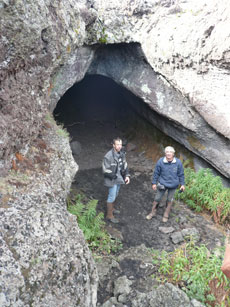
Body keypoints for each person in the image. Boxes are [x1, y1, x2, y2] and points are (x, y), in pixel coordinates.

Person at [146, 146, 185, 222]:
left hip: (173, 185)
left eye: (170, 152)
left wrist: (182, 184)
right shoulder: (161, 161)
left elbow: (181, 174)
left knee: (169, 200)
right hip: (162, 184)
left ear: (173, 154)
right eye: (167, 152)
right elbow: (156, 173)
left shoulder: (178, 162)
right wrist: (154, 183)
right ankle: (153, 212)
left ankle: (166, 214)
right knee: (157, 198)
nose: (169, 153)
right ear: (165, 153)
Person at [102, 137, 130, 223]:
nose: (119, 146)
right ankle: (109, 215)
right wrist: (113, 175)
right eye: (117, 144)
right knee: (112, 196)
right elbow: (104, 169)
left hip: (119, 178)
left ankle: (112, 209)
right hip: (112, 179)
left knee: (116, 194)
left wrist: (127, 175)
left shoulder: (122, 153)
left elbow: (125, 165)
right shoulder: (108, 156)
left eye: (120, 144)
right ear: (113, 145)